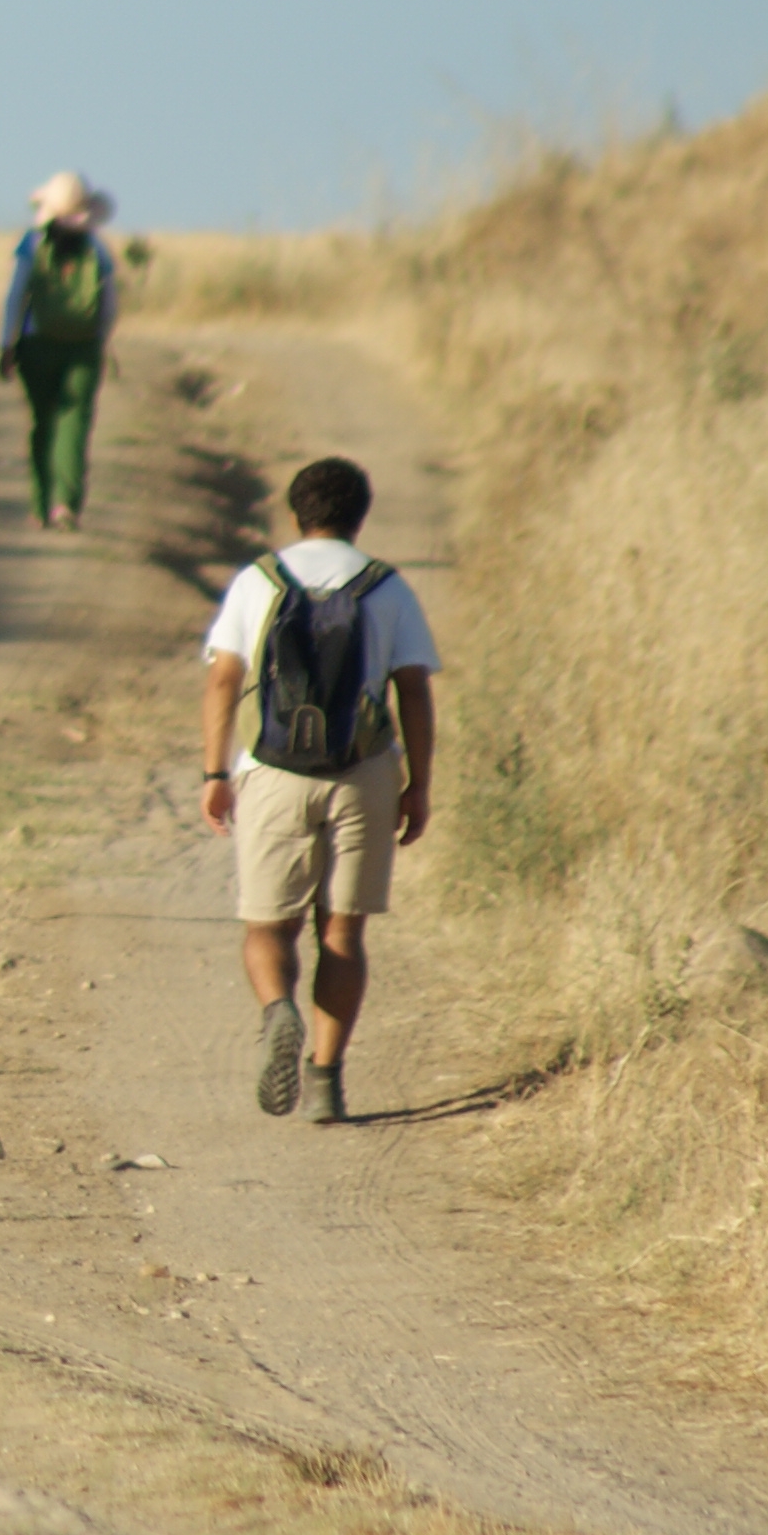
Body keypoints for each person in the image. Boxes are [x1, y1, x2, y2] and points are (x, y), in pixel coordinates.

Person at [200, 457, 441, 1124]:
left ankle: (278, 1010)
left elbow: (223, 678)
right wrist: (417, 786)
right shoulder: (387, 589)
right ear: (359, 517)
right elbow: (413, 690)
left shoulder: (259, 581)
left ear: (295, 512)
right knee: (341, 932)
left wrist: (216, 774)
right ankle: (327, 1081)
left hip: (274, 771)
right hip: (362, 772)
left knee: (266, 927)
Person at [0, 171, 117, 530]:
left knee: (42, 423)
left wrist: (6, 343)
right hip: (82, 348)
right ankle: (67, 504)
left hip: (37, 344)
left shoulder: (32, 245)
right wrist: (102, 341)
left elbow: (16, 295)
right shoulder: (96, 248)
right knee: (75, 425)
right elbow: (109, 304)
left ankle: (40, 503)